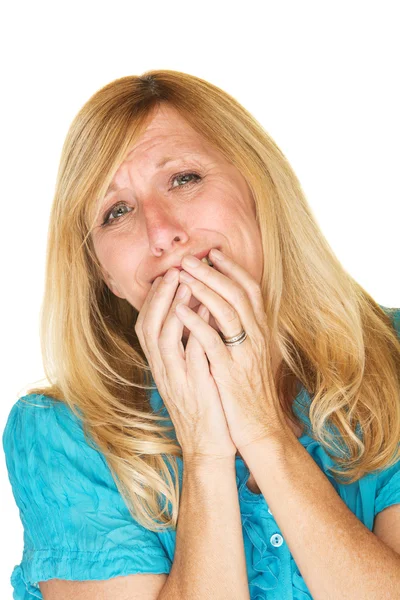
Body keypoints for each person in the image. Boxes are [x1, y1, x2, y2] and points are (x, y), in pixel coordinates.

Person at [2, 70, 400, 600]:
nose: (161, 231)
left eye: (184, 179)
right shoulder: (62, 436)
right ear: (104, 272)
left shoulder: (391, 355)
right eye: (116, 211)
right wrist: (205, 454)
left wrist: (263, 432)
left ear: (259, 189)